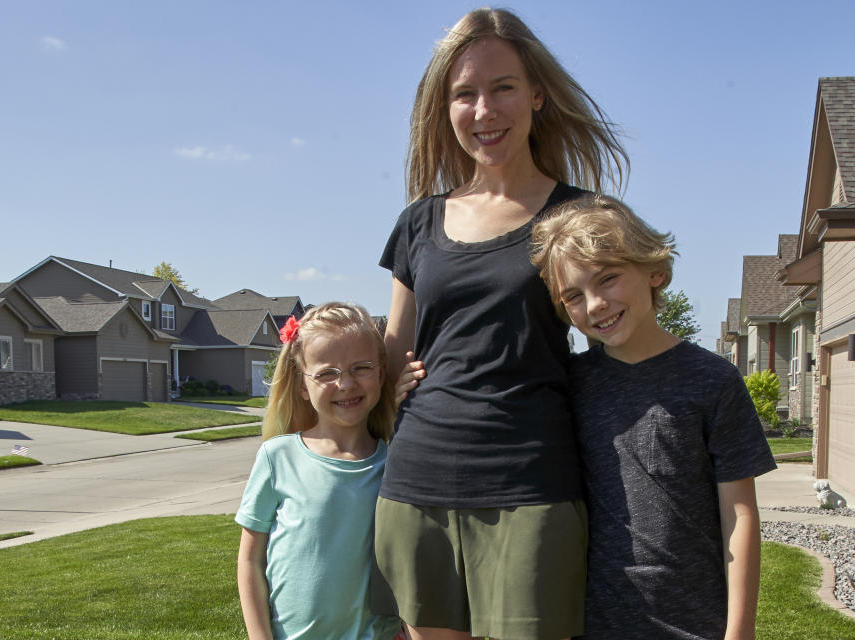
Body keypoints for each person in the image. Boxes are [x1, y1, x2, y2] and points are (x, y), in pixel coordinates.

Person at [375, 8, 628, 640]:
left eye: (502, 87)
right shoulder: (418, 222)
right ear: (446, 108)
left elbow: (621, 329)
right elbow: (391, 350)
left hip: (532, 482)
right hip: (418, 483)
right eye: (465, 93)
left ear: (537, 94)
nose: (484, 110)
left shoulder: (577, 215)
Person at [529, 195, 777, 640]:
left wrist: (740, 633)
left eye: (607, 279)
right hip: (591, 622)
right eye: (574, 296)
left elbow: (739, 514)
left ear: (654, 270)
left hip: (696, 620)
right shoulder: (568, 384)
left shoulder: (714, 380)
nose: (596, 303)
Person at [235, 302, 404, 640]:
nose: (345, 384)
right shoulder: (277, 457)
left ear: (382, 373)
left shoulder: (396, 463)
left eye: (361, 368)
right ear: (302, 384)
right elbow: (249, 561)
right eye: (327, 373)